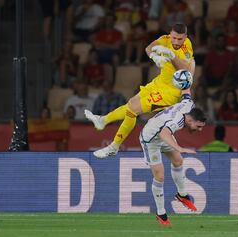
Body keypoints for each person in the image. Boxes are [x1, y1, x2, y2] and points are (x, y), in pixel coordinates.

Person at [84, 23, 195, 158]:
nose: (176, 42)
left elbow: (184, 69)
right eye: (174, 38)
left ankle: (114, 146)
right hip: (158, 83)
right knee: (131, 104)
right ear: (170, 34)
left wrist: (171, 55)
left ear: (185, 37)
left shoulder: (186, 46)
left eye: (180, 39)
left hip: (170, 92)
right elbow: (149, 48)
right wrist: (155, 57)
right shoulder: (165, 39)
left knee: (132, 110)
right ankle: (103, 120)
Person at [139, 92, 206, 226]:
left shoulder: (189, 105)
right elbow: (164, 133)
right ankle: (161, 213)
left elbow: (186, 93)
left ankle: (182, 195)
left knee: (178, 161)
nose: (200, 130)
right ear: (189, 121)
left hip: (162, 134)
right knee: (160, 176)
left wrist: (186, 77)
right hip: (150, 139)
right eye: (198, 126)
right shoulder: (178, 121)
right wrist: (179, 148)